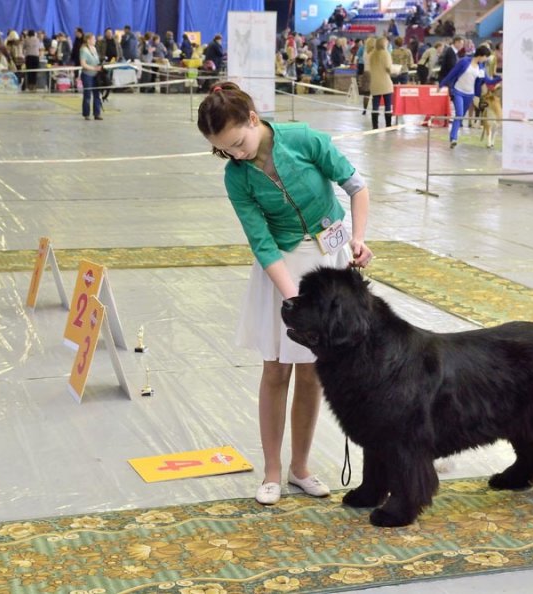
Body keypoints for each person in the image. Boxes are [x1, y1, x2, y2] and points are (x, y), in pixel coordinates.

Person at [196, 82, 374, 506]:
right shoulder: (236, 177)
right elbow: (262, 243)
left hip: (327, 259)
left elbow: (356, 187)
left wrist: (359, 239)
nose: (236, 154)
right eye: (225, 150)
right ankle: (272, 471)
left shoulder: (304, 139)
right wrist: (297, 301)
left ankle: (301, 469)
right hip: (280, 272)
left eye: (238, 142)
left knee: (313, 371)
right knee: (276, 370)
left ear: (253, 119)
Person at [439, 45, 500, 148]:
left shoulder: (481, 67)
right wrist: (441, 85)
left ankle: (453, 136)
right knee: (458, 114)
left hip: (469, 95)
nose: (486, 59)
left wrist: (500, 79)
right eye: (486, 57)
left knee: (461, 115)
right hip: (458, 91)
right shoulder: (464, 62)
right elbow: (452, 74)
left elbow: (488, 81)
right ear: (481, 55)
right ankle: (453, 138)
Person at [368, 37, 394, 129]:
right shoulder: (385, 54)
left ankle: (375, 126)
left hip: (374, 82)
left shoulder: (371, 55)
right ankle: (388, 125)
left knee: (375, 105)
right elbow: (388, 68)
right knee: (388, 105)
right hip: (385, 82)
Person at [79, 33, 103, 120]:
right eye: (93, 39)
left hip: (96, 75)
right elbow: (83, 64)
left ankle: (97, 113)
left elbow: (96, 61)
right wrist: (94, 68)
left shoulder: (94, 48)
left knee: (97, 94)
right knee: (87, 95)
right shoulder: (83, 50)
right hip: (87, 75)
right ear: (88, 40)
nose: (95, 40)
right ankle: (86, 114)